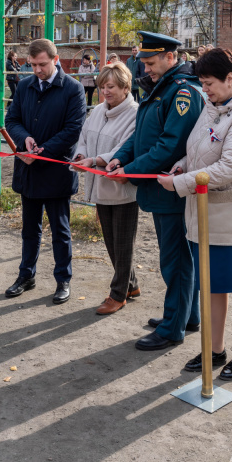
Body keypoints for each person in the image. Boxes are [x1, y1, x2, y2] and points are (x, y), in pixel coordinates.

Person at [158, 48, 232, 381]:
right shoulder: (213, 107)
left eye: (209, 83)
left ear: (231, 79)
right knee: (212, 286)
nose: (205, 89)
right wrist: (183, 165)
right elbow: (200, 151)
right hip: (206, 217)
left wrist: (181, 183)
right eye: (202, 84)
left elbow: (230, 167)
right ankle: (214, 348)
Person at [107, 31, 205, 350]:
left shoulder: (183, 92)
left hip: (171, 189)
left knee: (175, 262)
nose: (145, 69)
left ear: (170, 57)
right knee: (177, 259)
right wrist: (122, 157)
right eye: (143, 63)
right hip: (160, 187)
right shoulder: (160, 87)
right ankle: (186, 316)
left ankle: (171, 328)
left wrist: (131, 171)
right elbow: (141, 136)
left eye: (150, 63)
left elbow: (168, 146)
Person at [5, 38, 86, 304]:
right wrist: (24, 138)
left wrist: (43, 151)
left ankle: (63, 279)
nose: (37, 70)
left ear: (55, 59)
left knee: (60, 230)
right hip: (28, 170)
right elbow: (12, 119)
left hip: (55, 170)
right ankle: (26, 275)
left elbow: (73, 129)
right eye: (33, 65)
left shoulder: (73, 89)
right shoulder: (25, 86)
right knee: (29, 228)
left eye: (42, 64)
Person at [72, 62, 138, 314]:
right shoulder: (98, 111)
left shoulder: (135, 113)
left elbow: (125, 147)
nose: (105, 92)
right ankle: (131, 284)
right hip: (100, 186)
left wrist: (96, 159)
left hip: (122, 189)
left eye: (110, 87)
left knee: (122, 243)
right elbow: (84, 138)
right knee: (111, 241)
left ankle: (118, 294)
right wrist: (81, 156)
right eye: (102, 87)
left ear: (124, 87)